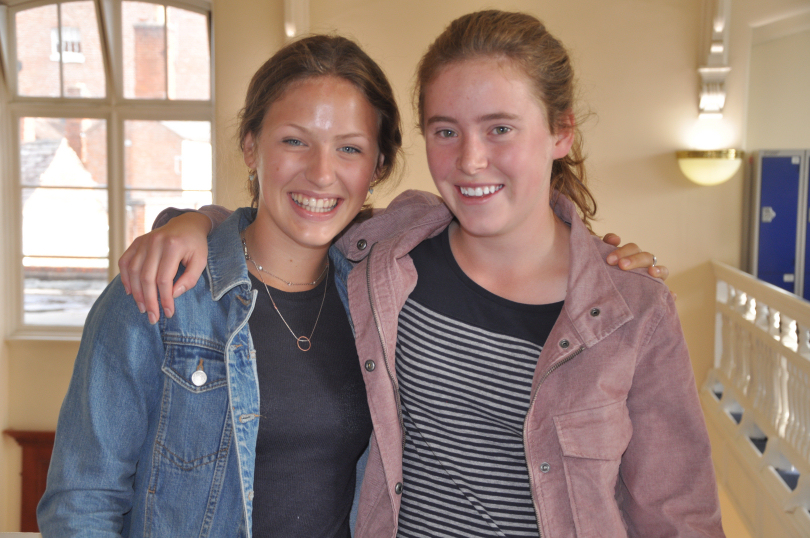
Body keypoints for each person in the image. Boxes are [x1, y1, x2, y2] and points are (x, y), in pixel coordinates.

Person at [113, 12, 712, 538]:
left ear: (561, 132)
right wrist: (191, 222)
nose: (471, 159)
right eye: (446, 130)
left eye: (500, 128)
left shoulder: (634, 308)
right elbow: (289, 219)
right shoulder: (385, 256)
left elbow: (678, 513)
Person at [38, 34, 402, 537]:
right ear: (251, 146)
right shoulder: (162, 291)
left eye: (350, 148)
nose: (322, 173)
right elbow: (82, 503)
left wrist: (197, 219)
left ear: (377, 167)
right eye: (294, 140)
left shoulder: (378, 300)